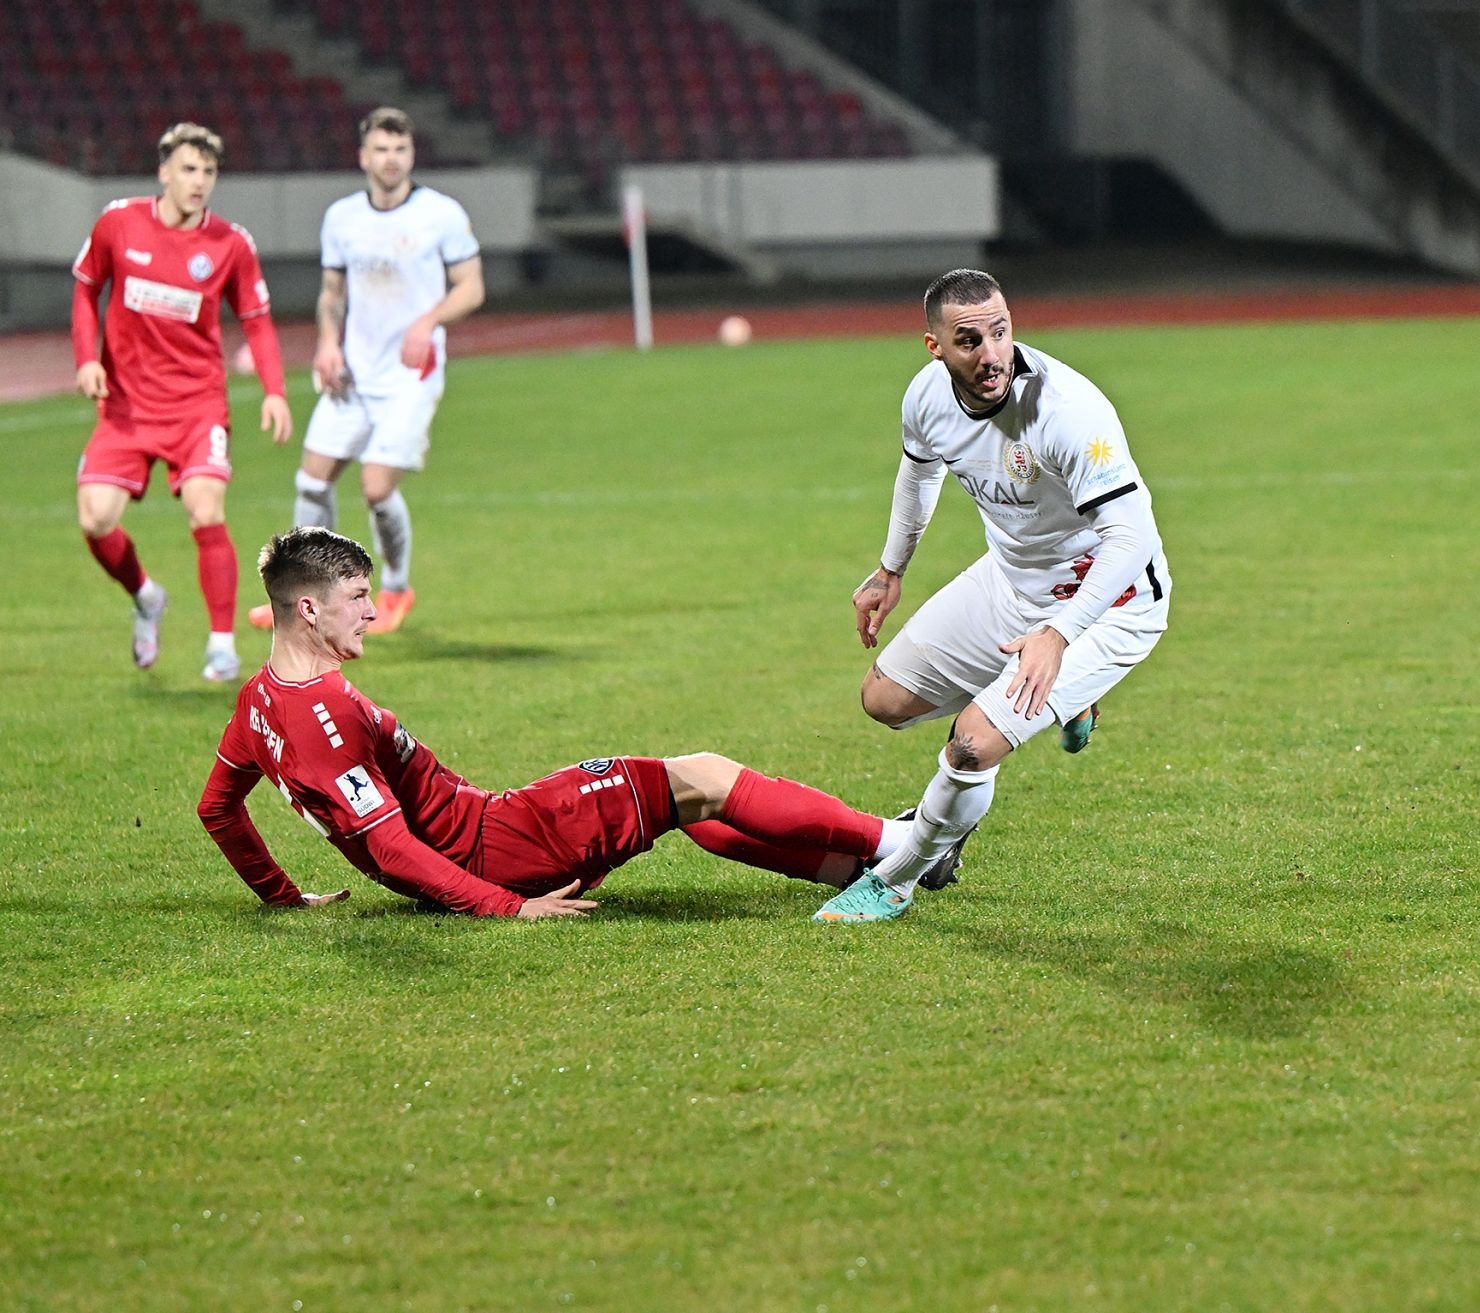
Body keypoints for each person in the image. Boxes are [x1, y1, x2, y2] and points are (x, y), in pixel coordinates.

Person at [199, 527, 945, 917]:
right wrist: (508, 906)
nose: (370, 611)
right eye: (358, 597)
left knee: (679, 801)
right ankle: (908, 842)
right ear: (309, 608)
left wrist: (281, 894)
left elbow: (217, 808)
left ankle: (855, 869)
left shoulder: (260, 700)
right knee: (704, 775)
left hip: (492, 831)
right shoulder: (323, 715)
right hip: (500, 849)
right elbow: (391, 848)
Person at [814, 269, 1173, 923]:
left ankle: (898, 878)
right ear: (935, 347)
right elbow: (919, 472)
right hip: (1009, 581)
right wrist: (891, 569)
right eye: (969, 340)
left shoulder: (1068, 411)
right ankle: (1062, 702)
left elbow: (1131, 537)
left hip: (1109, 604)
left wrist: (1059, 635)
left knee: (972, 745)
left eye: (1000, 332)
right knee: (883, 700)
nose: (991, 355)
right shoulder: (927, 397)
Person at [247, 106, 483, 638]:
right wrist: (328, 345)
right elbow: (332, 294)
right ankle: (306, 597)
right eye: (381, 149)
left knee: (376, 487)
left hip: (410, 375)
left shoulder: (440, 213)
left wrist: (428, 321)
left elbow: (472, 287)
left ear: (412, 154)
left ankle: (396, 588)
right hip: (354, 375)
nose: (391, 159)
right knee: (312, 481)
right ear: (363, 157)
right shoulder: (342, 218)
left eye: (400, 149)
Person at [72, 121, 292, 682]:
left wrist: (274, 391)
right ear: (164, 173)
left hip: (197, 406)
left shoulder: (230, 244)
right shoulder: (119, 223)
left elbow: (257, 321)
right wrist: (86, 359)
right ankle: (146, 596)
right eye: (189, 169)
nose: (199, 181)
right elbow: (86, 287)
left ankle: (221, 646)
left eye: (209, 172)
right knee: (95, 519)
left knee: (206, 507)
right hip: (126, 407)